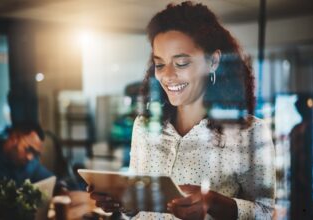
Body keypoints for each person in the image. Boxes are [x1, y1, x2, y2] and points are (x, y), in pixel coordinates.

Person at [89, 1, 275, 219]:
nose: (167, 76)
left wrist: (212, 202)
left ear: (213, 61)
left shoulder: (249, 132)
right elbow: (139, 207)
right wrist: (121, 201)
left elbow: (265, 212)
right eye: (159, 64)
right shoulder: (144, 125)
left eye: (182, 63)